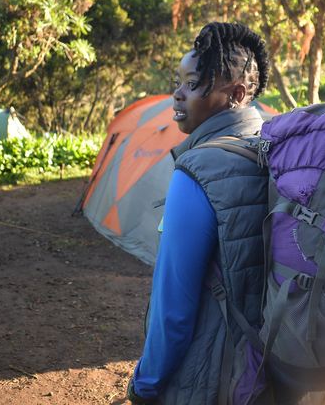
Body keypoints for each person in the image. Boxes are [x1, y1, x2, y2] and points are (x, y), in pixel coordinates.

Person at [126, 22, 271, 404]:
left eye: (192, 84)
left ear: (236, 94)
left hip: (212, 377)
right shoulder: (274, 146)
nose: (177, 95)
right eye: (179, 82)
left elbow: (173, 309)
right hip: (271, 363)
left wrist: (145, 385)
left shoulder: (197, 173)